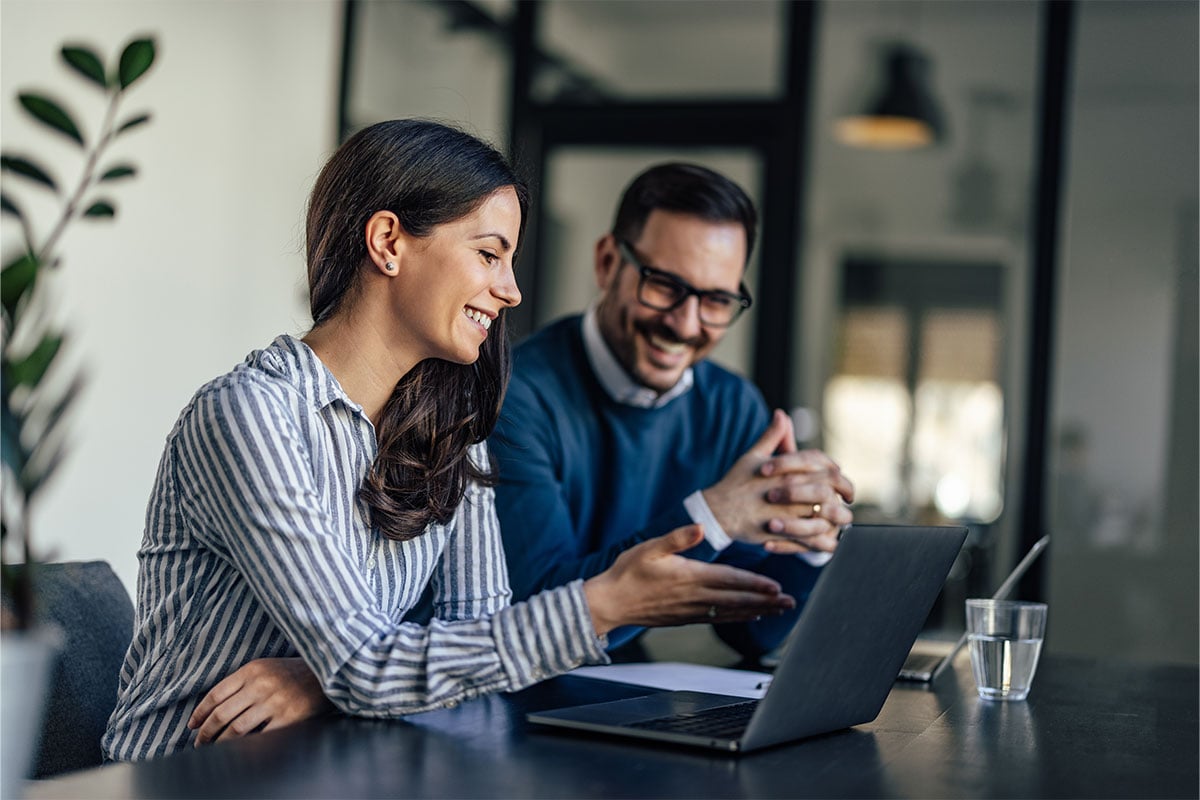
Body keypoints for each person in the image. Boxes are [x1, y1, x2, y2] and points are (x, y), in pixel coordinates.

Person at [102, 121, 796, 761]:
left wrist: (327, 675)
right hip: (183, 775)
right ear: (388, 243)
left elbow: (478, 646)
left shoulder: (448, 431)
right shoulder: (250, 416)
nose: (512, 291)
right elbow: (368, 667)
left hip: (325, 764)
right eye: (490, 255)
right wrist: (603, 602)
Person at [488, 162, 855, 660]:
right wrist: (713, 519)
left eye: (717, 300)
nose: (686, 324)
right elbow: (534, 610)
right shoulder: (513, 393)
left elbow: (750, 631)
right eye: (664, 285)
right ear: (607, 262)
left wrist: (812, 538)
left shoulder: (732, 406)